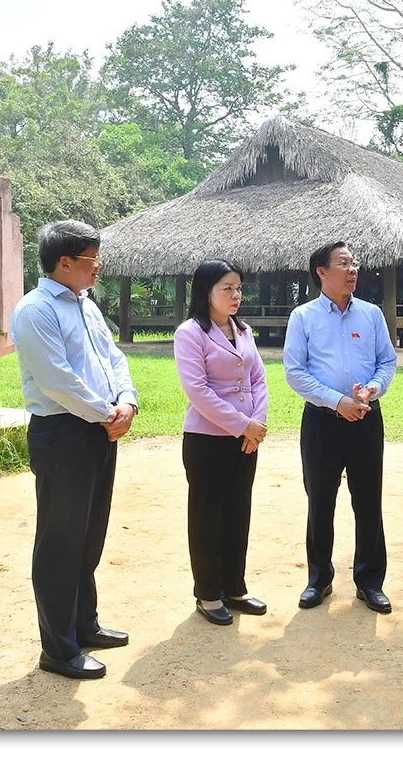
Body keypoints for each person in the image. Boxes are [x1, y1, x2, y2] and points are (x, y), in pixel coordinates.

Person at [9, 220, 139, 681]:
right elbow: (57, 380)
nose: (98, 267)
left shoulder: (85, 305)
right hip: (63, 433)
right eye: (91, 259)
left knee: (88, 536)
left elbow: (114, 358)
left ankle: (84, 625)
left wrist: (127, 401)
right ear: (64, 262)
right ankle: (58, 648)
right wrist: (108, 413)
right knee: (60, 543)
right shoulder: (35, 310)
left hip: (100, 430)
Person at [283, 241, 398, 613]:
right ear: (321, 271)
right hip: (322, 422)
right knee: (320, 501)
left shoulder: (371, 314)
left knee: (368, 501)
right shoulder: (303, 317)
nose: (353, 270)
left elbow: (387, 361)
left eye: (354, 263)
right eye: (344, 264)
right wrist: (337, 402)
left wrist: (373, 388)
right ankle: (319, 579)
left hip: (366, 418)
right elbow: (294, 373)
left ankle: (369, 582)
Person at [173, 260, 269, 626]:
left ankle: (234, 587)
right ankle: (208, 593)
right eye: (227, 288)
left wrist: (256, 423)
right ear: (206, 291)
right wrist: (242, 424)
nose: (236, 295)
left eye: (238, 288)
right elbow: (197, 390)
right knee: (206, 517)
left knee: (237, 512)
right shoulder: (191, 333)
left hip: (246, 437)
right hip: (207, 438)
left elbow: (259, 380)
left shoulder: (242, 330)